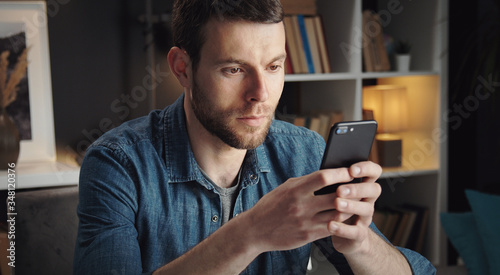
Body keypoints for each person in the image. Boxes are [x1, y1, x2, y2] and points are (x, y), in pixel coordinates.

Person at [73, 0, 436, 274]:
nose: (261, 93)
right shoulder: (117, 164)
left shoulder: (304, 152)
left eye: (274, 67)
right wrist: (250, 233)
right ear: (182, 69)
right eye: (234, 69)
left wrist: (360, 244)